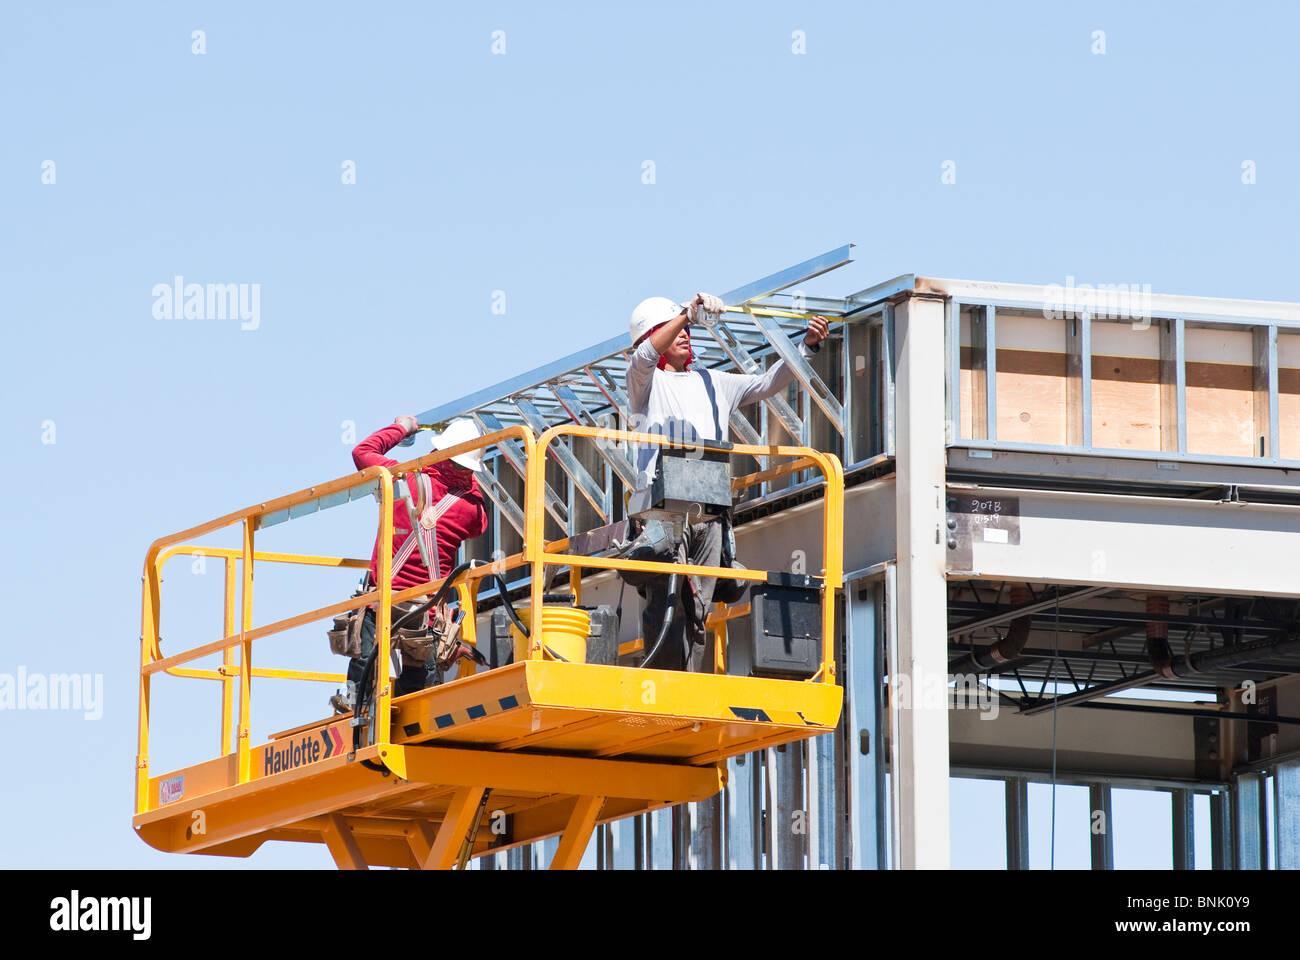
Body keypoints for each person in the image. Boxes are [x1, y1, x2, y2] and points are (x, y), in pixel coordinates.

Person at [624, 292, 829, 672]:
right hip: (661, 512)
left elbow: (768, 384)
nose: (685, 335)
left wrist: (808, 346)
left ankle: (688, 684)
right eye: (673, 330)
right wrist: (687, 313)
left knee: (698, 604)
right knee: (668, 599)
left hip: (709, 510)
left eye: (686, 329)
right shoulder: (645, 382)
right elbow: (646, 355)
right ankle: (665, 684)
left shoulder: (713, 383)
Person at [331, 415, 488, 713]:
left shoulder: (399, 478)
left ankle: (355, 702)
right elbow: (481, 523)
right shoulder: (470, 509)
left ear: (439, 452)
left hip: (381, 600)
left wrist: (403, 428)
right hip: (426, 612)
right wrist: (469, 479)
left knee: (365, 659)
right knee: (418, 691)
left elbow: (362, 452)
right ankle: (415, 711)